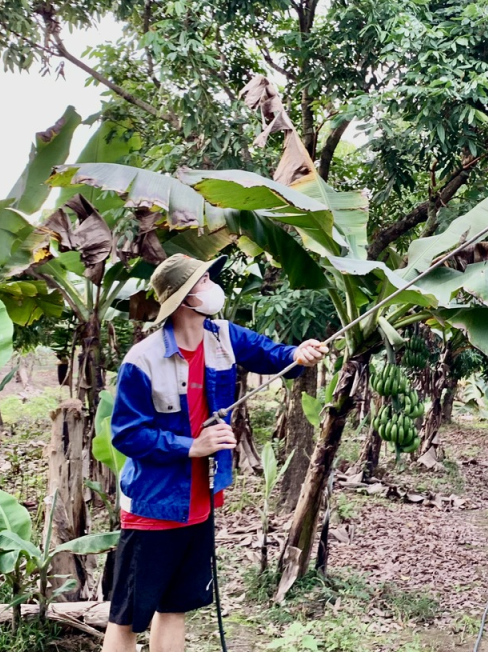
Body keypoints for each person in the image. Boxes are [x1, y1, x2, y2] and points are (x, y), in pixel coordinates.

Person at [102, 253, 327, 652]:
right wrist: (193, 447)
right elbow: (127, 435)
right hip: (153, 507)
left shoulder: (223, 336)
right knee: (128, 617)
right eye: (203, 281)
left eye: (208, 278)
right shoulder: (143, 359)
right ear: (183, 298)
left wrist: (297, 354)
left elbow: (271, 354)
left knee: (175, 608)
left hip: (200, 502)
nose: (212, 286)